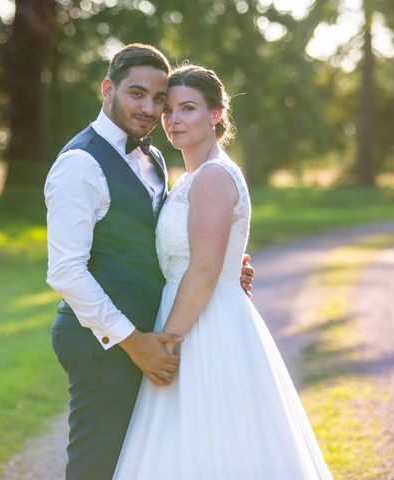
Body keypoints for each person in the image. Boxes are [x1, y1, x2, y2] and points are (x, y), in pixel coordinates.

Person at [113, 64, 333, 479]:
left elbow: (204, 270)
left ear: (216, 115)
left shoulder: (213, 176)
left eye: (188, 108)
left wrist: (166, 343)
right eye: (168, 109)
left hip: (205, 329)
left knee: (215, 443)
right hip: (194, 315)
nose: (173, 119)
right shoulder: (191, 177)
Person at [44, 45, 254, 480]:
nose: (149, 108)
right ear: (108, 89)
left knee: (144, 461)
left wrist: (226, 267)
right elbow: (65, 270)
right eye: (136, 94)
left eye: (158, 99)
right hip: (105, 342)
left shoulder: (154, 158)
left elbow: (165, 240)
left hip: (153, 334)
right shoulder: (79, 164)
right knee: (97, 466)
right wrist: (132, 341)